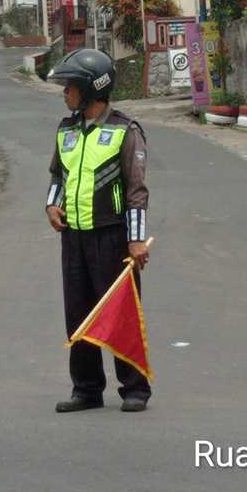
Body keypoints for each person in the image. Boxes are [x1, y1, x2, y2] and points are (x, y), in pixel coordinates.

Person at [46, 48, 151, 413]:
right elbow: (58, 176)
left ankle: (134, 388)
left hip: (112, 236)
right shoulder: (66, 130)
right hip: (74, 237)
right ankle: (86, 389)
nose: (65, 93)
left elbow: (137, 191)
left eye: (71, 87)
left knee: (120, 312)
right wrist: (51, 205)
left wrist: (136, 240)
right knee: (78, 313)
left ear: (92, 90)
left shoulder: (124, 131)